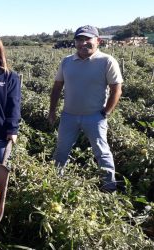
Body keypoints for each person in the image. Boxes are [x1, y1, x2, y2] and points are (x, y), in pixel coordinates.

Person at [48, 25, 123, 192]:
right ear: (75, 42)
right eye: (80, 39)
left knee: (102, 153)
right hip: (69, 116)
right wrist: (52, 110)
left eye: (87, 39)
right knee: (61, 150)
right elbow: (57, 87)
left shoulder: (107, 61)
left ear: (98, 41)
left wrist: (106, 112)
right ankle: (55, 183)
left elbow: (116, 89)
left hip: (94, 117)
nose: (83, 43)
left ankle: (109, 187)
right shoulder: (67, 61)